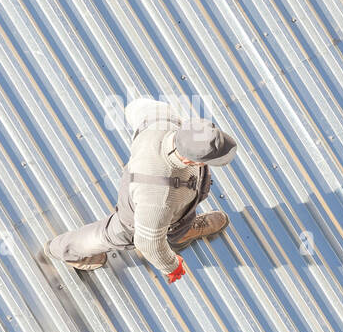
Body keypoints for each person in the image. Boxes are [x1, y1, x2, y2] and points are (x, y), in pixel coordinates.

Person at [45, 98, 237, 282]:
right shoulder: (160, 198)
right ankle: (63, 250)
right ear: (190, 160)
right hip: (142, 207)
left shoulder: (163, 120)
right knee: (113, 234)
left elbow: (138, 107)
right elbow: (148, 242)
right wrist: (171, 266)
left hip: (158, 193)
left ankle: (181, 232)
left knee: (176, 222)